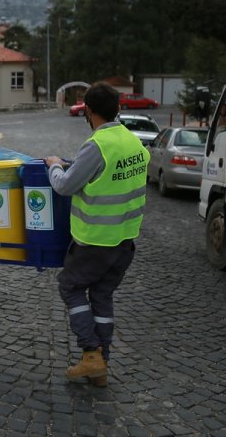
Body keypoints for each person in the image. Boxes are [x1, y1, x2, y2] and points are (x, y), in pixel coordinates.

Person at [44, 81, 149, 387]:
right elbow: (106, 176)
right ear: (118, 108)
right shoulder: (133, 142)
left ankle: (91, 353)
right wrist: (74, 167)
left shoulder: (97, 144)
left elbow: (64, 186)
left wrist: (54, 166)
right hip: (125, 240)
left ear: (88, 111)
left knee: (69, 286)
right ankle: (102, 364)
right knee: (102, 294)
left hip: (95, 240)